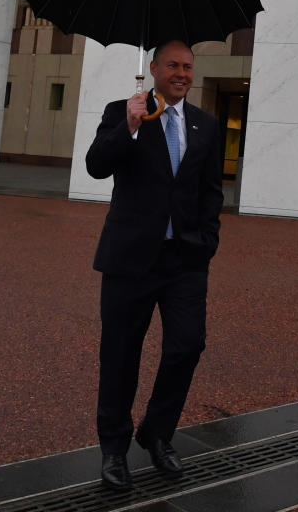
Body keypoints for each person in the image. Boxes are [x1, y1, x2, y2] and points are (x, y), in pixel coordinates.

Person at [85, 40, 223, 490]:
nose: (182, 73)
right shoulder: (124, 111)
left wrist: (206, 243)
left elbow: (209, 192)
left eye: (188, 66)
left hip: (184, 261)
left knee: (187, 345)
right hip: (130, 261)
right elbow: (95, 166)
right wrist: (127, 126)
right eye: (173, 66)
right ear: (154, 68)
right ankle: (114, 450)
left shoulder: (205, 124)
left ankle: (157, 432)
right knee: (120, 355)